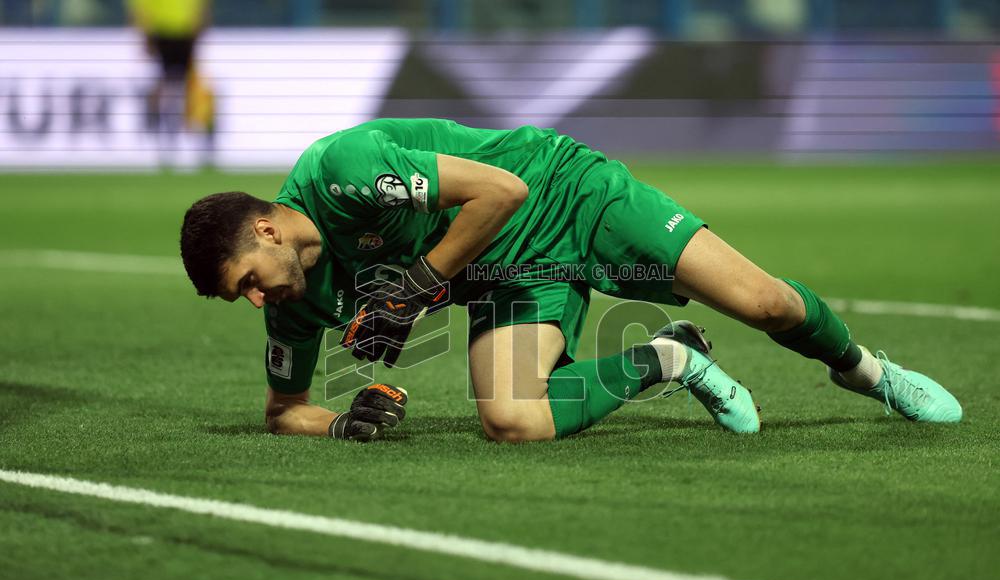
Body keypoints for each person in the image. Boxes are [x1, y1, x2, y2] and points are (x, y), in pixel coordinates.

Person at [179, 118, 962, 441]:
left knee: (765, 302)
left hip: (560, 191)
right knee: (512, 420)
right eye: (237, 297)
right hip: (503, 266)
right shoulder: (292, 298)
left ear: (270, 229)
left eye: (248, 278)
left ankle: (867, 371)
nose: (255, 300)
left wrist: (416, 286)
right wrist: (341, 423)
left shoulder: (341, 173)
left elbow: (501, 193)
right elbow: (286, 410)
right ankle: (671, 357)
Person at [129, 0, 214, 166]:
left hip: (183, 32)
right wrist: (144, 33)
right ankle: (165, 132)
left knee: (183, 86)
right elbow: (140, 9)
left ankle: (189, 133)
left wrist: (201, 25)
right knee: (169, 87)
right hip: (162, 33)